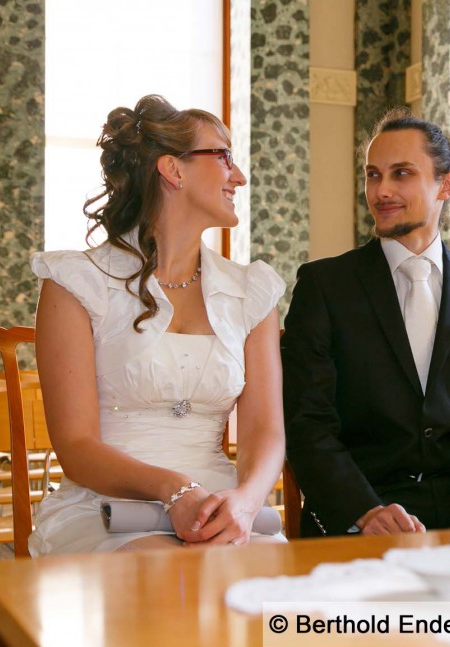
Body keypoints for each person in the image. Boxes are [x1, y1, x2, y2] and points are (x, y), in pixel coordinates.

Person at [30, 95, 286, 555]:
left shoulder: (252, 291)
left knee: (270, 586)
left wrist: (246, 502)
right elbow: (75, 444)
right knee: (164, 575)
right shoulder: (76, 282)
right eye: (224, 156)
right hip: (109, 507)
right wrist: (173, 489)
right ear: (174, 170)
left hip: (222, 507)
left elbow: (264, 430)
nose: (240, 176)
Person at [282, 109, 450, 537]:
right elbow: (305, 422)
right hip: (363, 511)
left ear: (447, 183)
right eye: (372, 175)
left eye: (401, 173)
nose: (381, 190)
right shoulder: (324, 287)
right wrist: (365, 512)